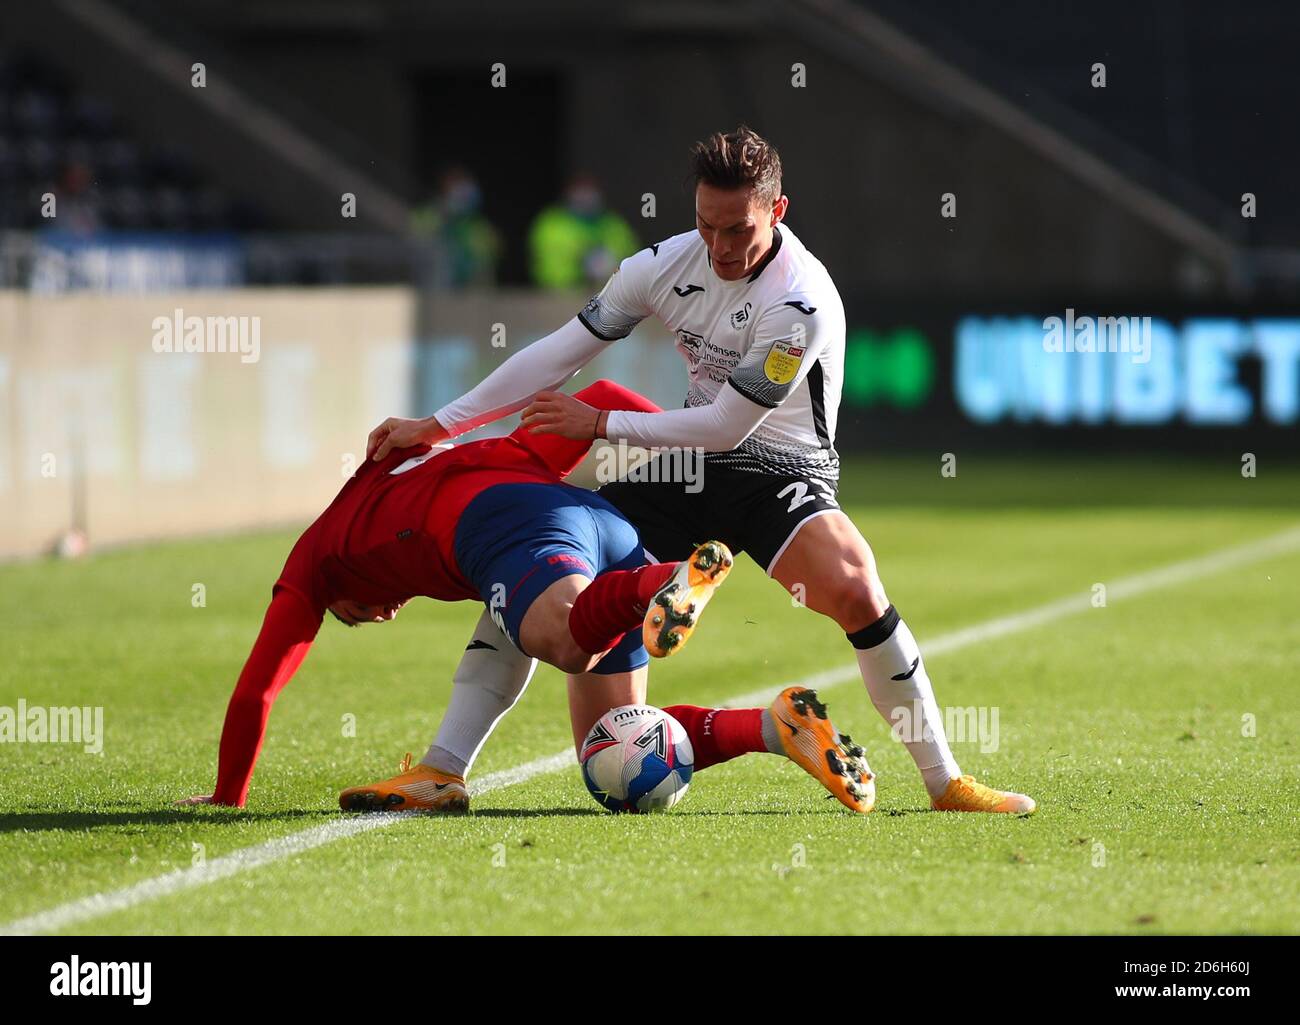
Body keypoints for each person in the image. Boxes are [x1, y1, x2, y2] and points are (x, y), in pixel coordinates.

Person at [365, 126, 1036, 815]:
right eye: (704, 224)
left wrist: (598, 424)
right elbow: (559, 352)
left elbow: (728, 425)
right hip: (685, 466)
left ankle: (945, 780)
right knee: (553, 597)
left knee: (856, 585)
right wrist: (439, 424)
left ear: (777, 211)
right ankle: (447, 769)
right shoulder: (661, 264)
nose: (717, 247)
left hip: (780, 467)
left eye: (736, 229)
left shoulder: (799, 304)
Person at [178, 379, 870, 813]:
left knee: (563, 638)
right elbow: (599, 396)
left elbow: (255, 691)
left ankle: (662, 583)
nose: (381, 614)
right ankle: (774, 727)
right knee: (616, 752)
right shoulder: (404, 465)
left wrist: (226, 796)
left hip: (514, 524)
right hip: (598, 522)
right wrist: (699, 463)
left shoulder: (318, 557)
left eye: (354, 618)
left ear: (338, 602)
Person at [528, 174, 639, 289]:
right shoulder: (550, 223)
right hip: (560, 294)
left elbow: (632, 257)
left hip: (609, 293)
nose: (585, 196)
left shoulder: (615, 224)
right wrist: (582, 262)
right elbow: (548, 265)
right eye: (580, 190)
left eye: (590, 190)